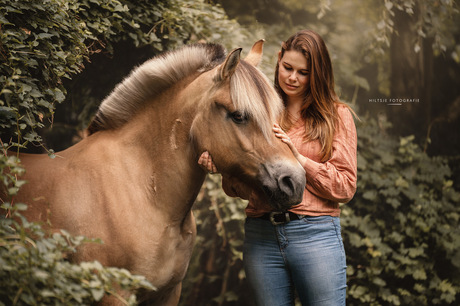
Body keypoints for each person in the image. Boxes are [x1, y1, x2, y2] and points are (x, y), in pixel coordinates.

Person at [198, 29, 357, 306]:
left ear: (316, 74)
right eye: (287, 67)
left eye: (303, 72)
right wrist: (223, 169)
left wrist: (301, 160)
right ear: (278, 60)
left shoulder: (335, 116)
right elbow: (243, 190)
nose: (292, 77)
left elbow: (344, 186)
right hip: (261, 235)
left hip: (315, 235)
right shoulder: (259, 110)